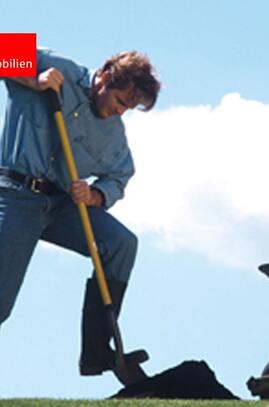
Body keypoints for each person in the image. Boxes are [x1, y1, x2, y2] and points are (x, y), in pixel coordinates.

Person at [0, 47, 161, 376]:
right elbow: (4, 50)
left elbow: (119, 176)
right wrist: (33, 80)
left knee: (121, 243)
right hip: (14, 195)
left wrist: (95, 195)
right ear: (103, 77)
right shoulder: (56, 66)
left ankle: (98, 353)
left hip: (62, 205)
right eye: (119, 102)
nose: (120, 113)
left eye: (128, 109)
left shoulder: (114, 133)